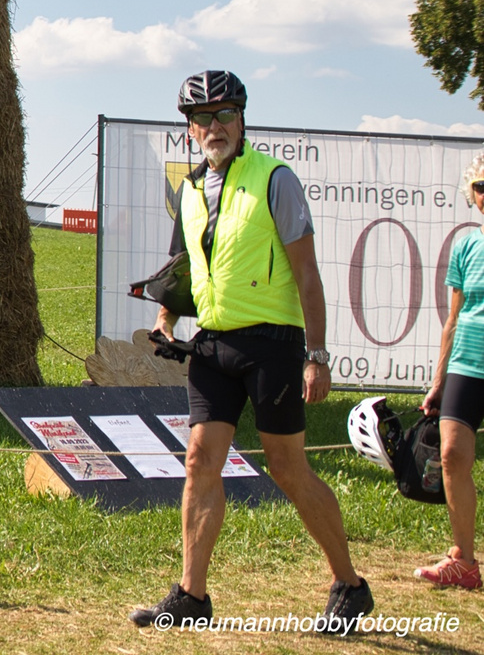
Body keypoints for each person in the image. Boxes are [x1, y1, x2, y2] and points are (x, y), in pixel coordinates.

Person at [129, 70, 373, 632]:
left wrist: (318, 353)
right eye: (202, 119)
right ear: (189, 130)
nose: (214, 127)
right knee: (199, 463)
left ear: (242, 119)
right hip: (213, 346)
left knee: (288, 469)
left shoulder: (275, 179)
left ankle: (349, 584)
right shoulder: (189, 190)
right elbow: (183, 269)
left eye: (225, 115)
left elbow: (307, 273)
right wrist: (166, 320)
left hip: (273, 343)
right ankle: (191, 596)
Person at [416, 151, 484, 589]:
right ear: (472, 194)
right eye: (481, 186)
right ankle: (464, 561)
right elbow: (453, 318)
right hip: (466, 363)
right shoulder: (466, 245)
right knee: (452, 455)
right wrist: (438, 381)